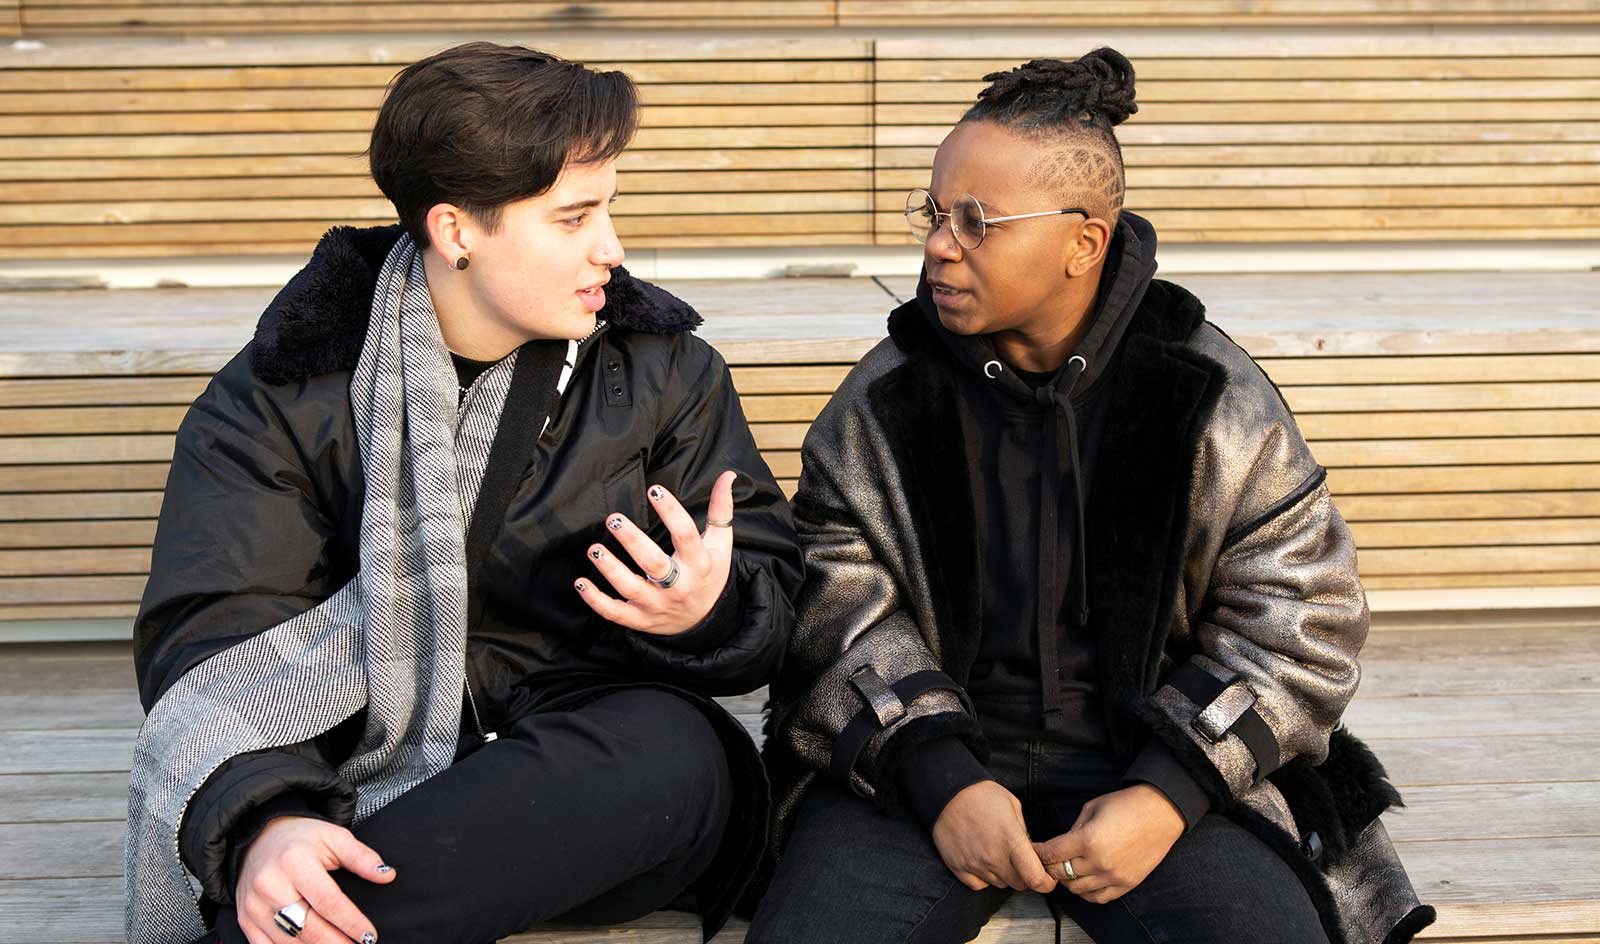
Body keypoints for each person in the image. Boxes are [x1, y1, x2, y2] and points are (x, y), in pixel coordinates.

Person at [749, 48, 1433, 944]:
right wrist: (944, 780)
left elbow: (1305, 612)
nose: (936, 244)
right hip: (926, 769)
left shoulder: (1210, 397)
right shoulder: (883, 402)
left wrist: (1165, 795)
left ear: (1084, 241)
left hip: (1155, 759)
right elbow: (834, 602)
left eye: (977, 220)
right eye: (933, 212)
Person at [125, 42, 802, 944]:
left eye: (611, 209)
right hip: (349, 782)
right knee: (323, 849)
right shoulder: (286, 392)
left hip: (601, 781)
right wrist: (268, 821)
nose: (613, 247)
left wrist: (707, 612)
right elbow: (215, 638)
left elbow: (771, 588)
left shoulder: (663, 371)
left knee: (668, 753)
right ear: (456, 231)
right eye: (574, 218)